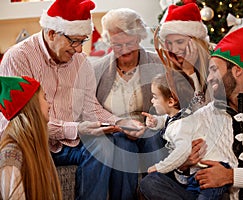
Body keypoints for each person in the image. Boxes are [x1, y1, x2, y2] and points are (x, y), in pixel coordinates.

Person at [0, 0, 143, 199]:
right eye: (74, 41)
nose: (78, 50)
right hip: (38, 143)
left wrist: (119, 122)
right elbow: (22, 120)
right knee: (103, 146)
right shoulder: (19, 57)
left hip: (74, 142)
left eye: (82, 41)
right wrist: (75, 128)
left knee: (118, 143)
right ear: (51, 33)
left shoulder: (80, 61)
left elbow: (90, 107)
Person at [140, 24, 243, 200]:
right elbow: (191, 173)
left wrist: (229, 176)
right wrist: (184, 166)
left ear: (237, 71)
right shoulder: (205, 115)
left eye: (214, 70)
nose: (208, 78)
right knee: (151, 182)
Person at [93, 8, 168, 200]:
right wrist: (119, 125)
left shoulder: (157, 63)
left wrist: (153, 123)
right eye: (117, 44)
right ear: (109, 41)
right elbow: (91, 107)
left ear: (139, 38)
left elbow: (170, 102)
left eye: (129, 43)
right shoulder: (97, 69)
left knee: (154, 141)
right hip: (115, 131)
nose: (124, 50)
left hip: (151, 127)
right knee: (123, 145)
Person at [142, 73, 230, 200]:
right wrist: (156, 122)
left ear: (171, 101)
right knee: (149, 182)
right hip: (194, 177)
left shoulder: (182, 125)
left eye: (155, 97)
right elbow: (168, 120)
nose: (152, 101)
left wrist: (160, 167)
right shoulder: (183, 113)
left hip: (211, 174)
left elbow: (183, 151)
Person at [0, 76, 62, 200]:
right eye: (44, 97)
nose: (49, 105)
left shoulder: (35, 146)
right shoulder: (10, 157)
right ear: (32, 105)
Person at [153, 3, 212, 113]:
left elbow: (200, 113)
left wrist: (190, 72)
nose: (174, 49)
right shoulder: (170, 65)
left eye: (179, 42)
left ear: (196, 41)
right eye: (169, 43)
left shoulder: (214, 64)